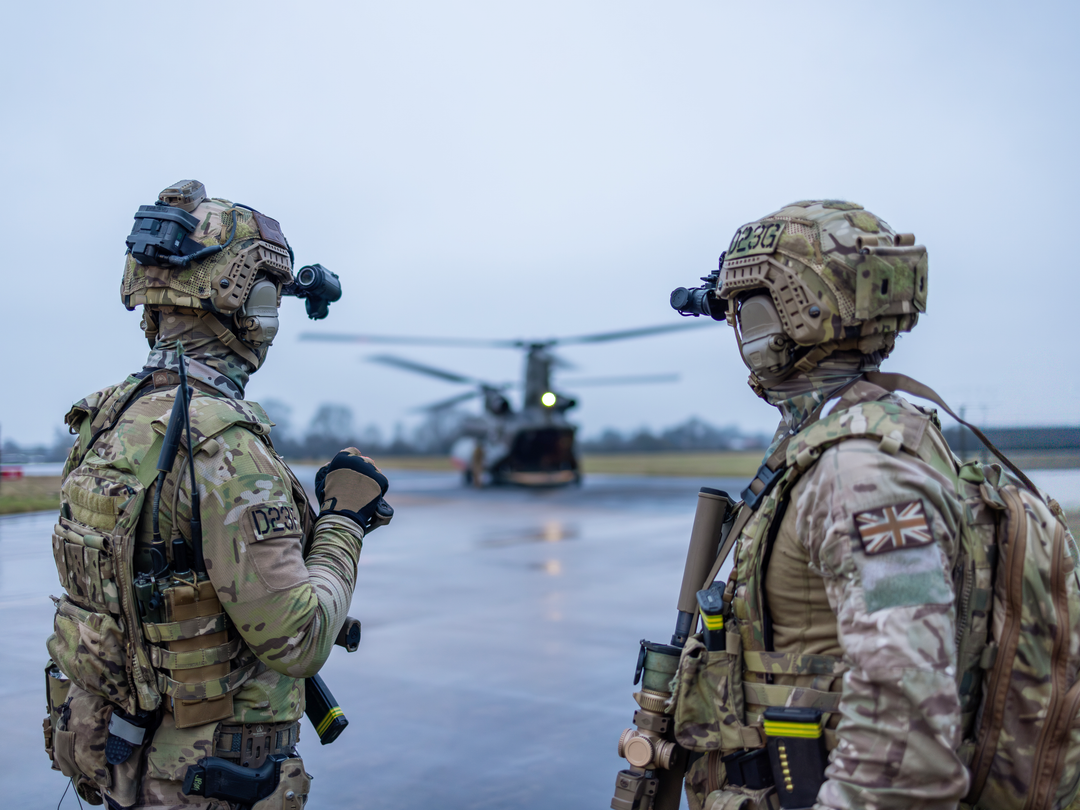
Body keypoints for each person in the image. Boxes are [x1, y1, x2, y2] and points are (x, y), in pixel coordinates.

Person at [43, 180, 390, 809]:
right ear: (250, 306)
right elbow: (299, 638)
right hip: (209, 777)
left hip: (131, 760)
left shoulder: (109, 418)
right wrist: (344, 520)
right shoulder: (225, 446)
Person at [669, 200, 969, 809]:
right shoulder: (834, 439)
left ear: (790, 316)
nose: (740, 329)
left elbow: (907, 739)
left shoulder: (860, 473)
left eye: (747, 308)